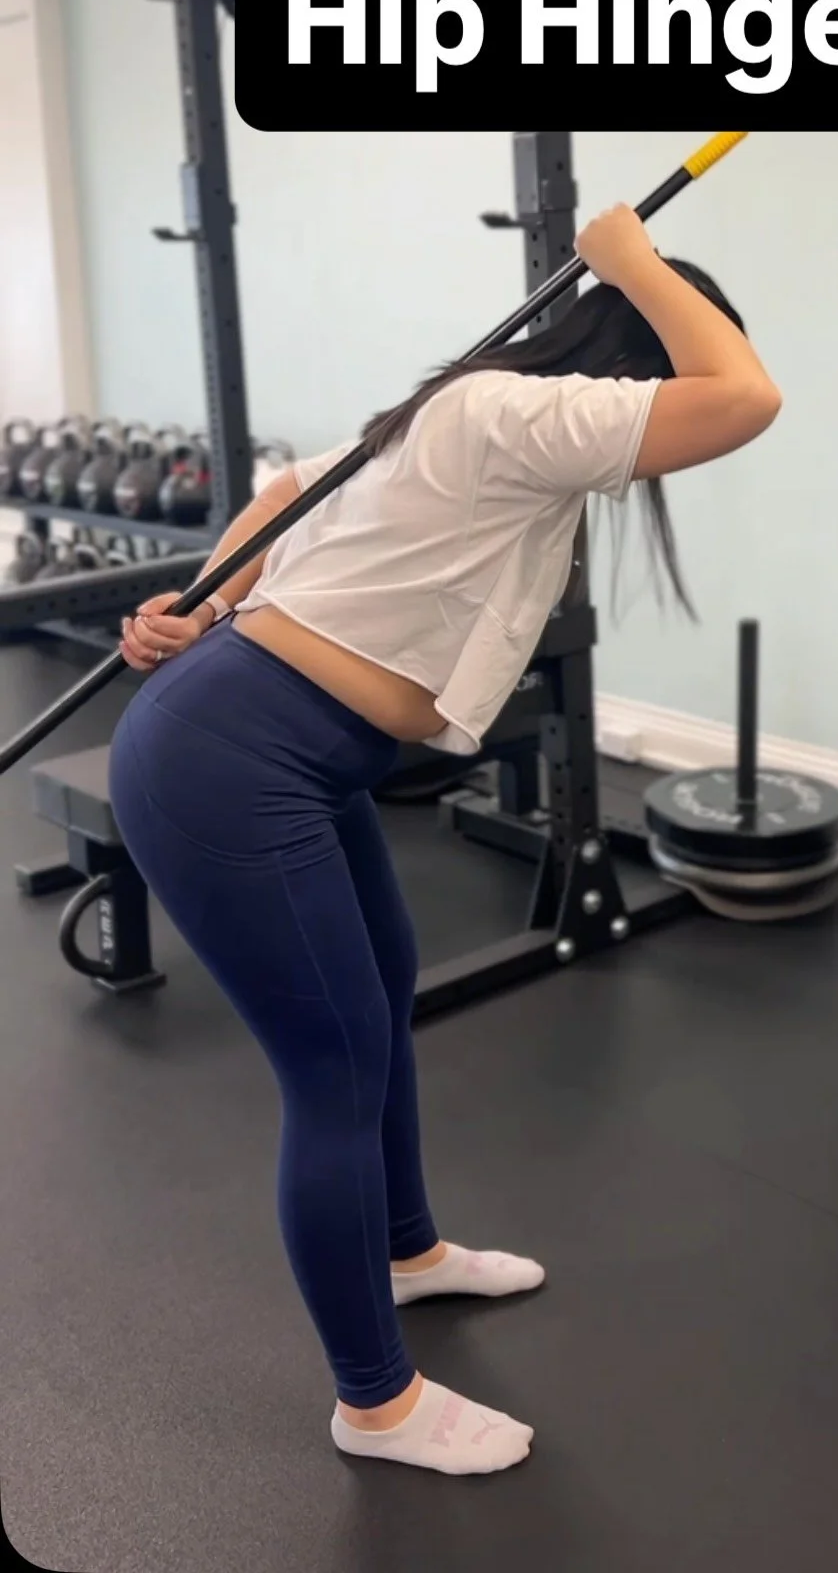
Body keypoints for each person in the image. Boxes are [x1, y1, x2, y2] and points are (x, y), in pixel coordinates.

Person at [108, 204, 781, 1477]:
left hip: (295, 755)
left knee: (383, 995)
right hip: (232, 759)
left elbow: (287, 494)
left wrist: (206, 597)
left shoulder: (484, 426)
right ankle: (375, 1404)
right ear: (626, 357)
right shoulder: (505, 413)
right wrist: (631, 259)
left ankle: (407, 1252)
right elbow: (742, 395)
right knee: (335, 1069)